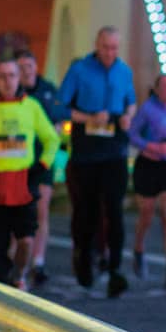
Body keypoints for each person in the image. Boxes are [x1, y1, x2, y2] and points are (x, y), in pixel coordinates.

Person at [0, 55, 60, 288]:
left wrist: (42, 166)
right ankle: (2, 290)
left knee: (26, 240)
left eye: (12, 76)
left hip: (23, 184)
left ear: (20, 78)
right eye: (2, 76)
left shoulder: (31, 106)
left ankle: (18, 275)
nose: (8, 81)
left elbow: (51, 139)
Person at [57, 28, 136, 296]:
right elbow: (60, 106)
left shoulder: (124, 71)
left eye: (114, 48)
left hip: (115, 150)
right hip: (86, 151)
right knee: (86, 210)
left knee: (115, 210)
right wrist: (87, 118)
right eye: (105, 47)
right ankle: (84, 260)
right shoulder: (79, 69)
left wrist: (127, 116)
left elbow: (131, 103)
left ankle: (115, 268)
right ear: (96, 44)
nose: (110, 53)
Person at [129, 72, 166, 287]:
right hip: (148, 166)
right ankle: (139, 248)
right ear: (157, 89)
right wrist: (152, 147)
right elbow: (133, 135)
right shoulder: (147, 109)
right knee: (147, 214)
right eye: (165, 87)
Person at [18, 50, 69, 287]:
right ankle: (17, 261)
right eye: (21, 67)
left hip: (43, 161)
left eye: (29, 66)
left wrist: (58, 127)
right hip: (17, 163)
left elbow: (61, 116)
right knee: (16, 213)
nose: (26, 71)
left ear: (35, 66)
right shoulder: (11, 94)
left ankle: (38, 262)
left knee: (41, 211)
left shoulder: (48, 89)